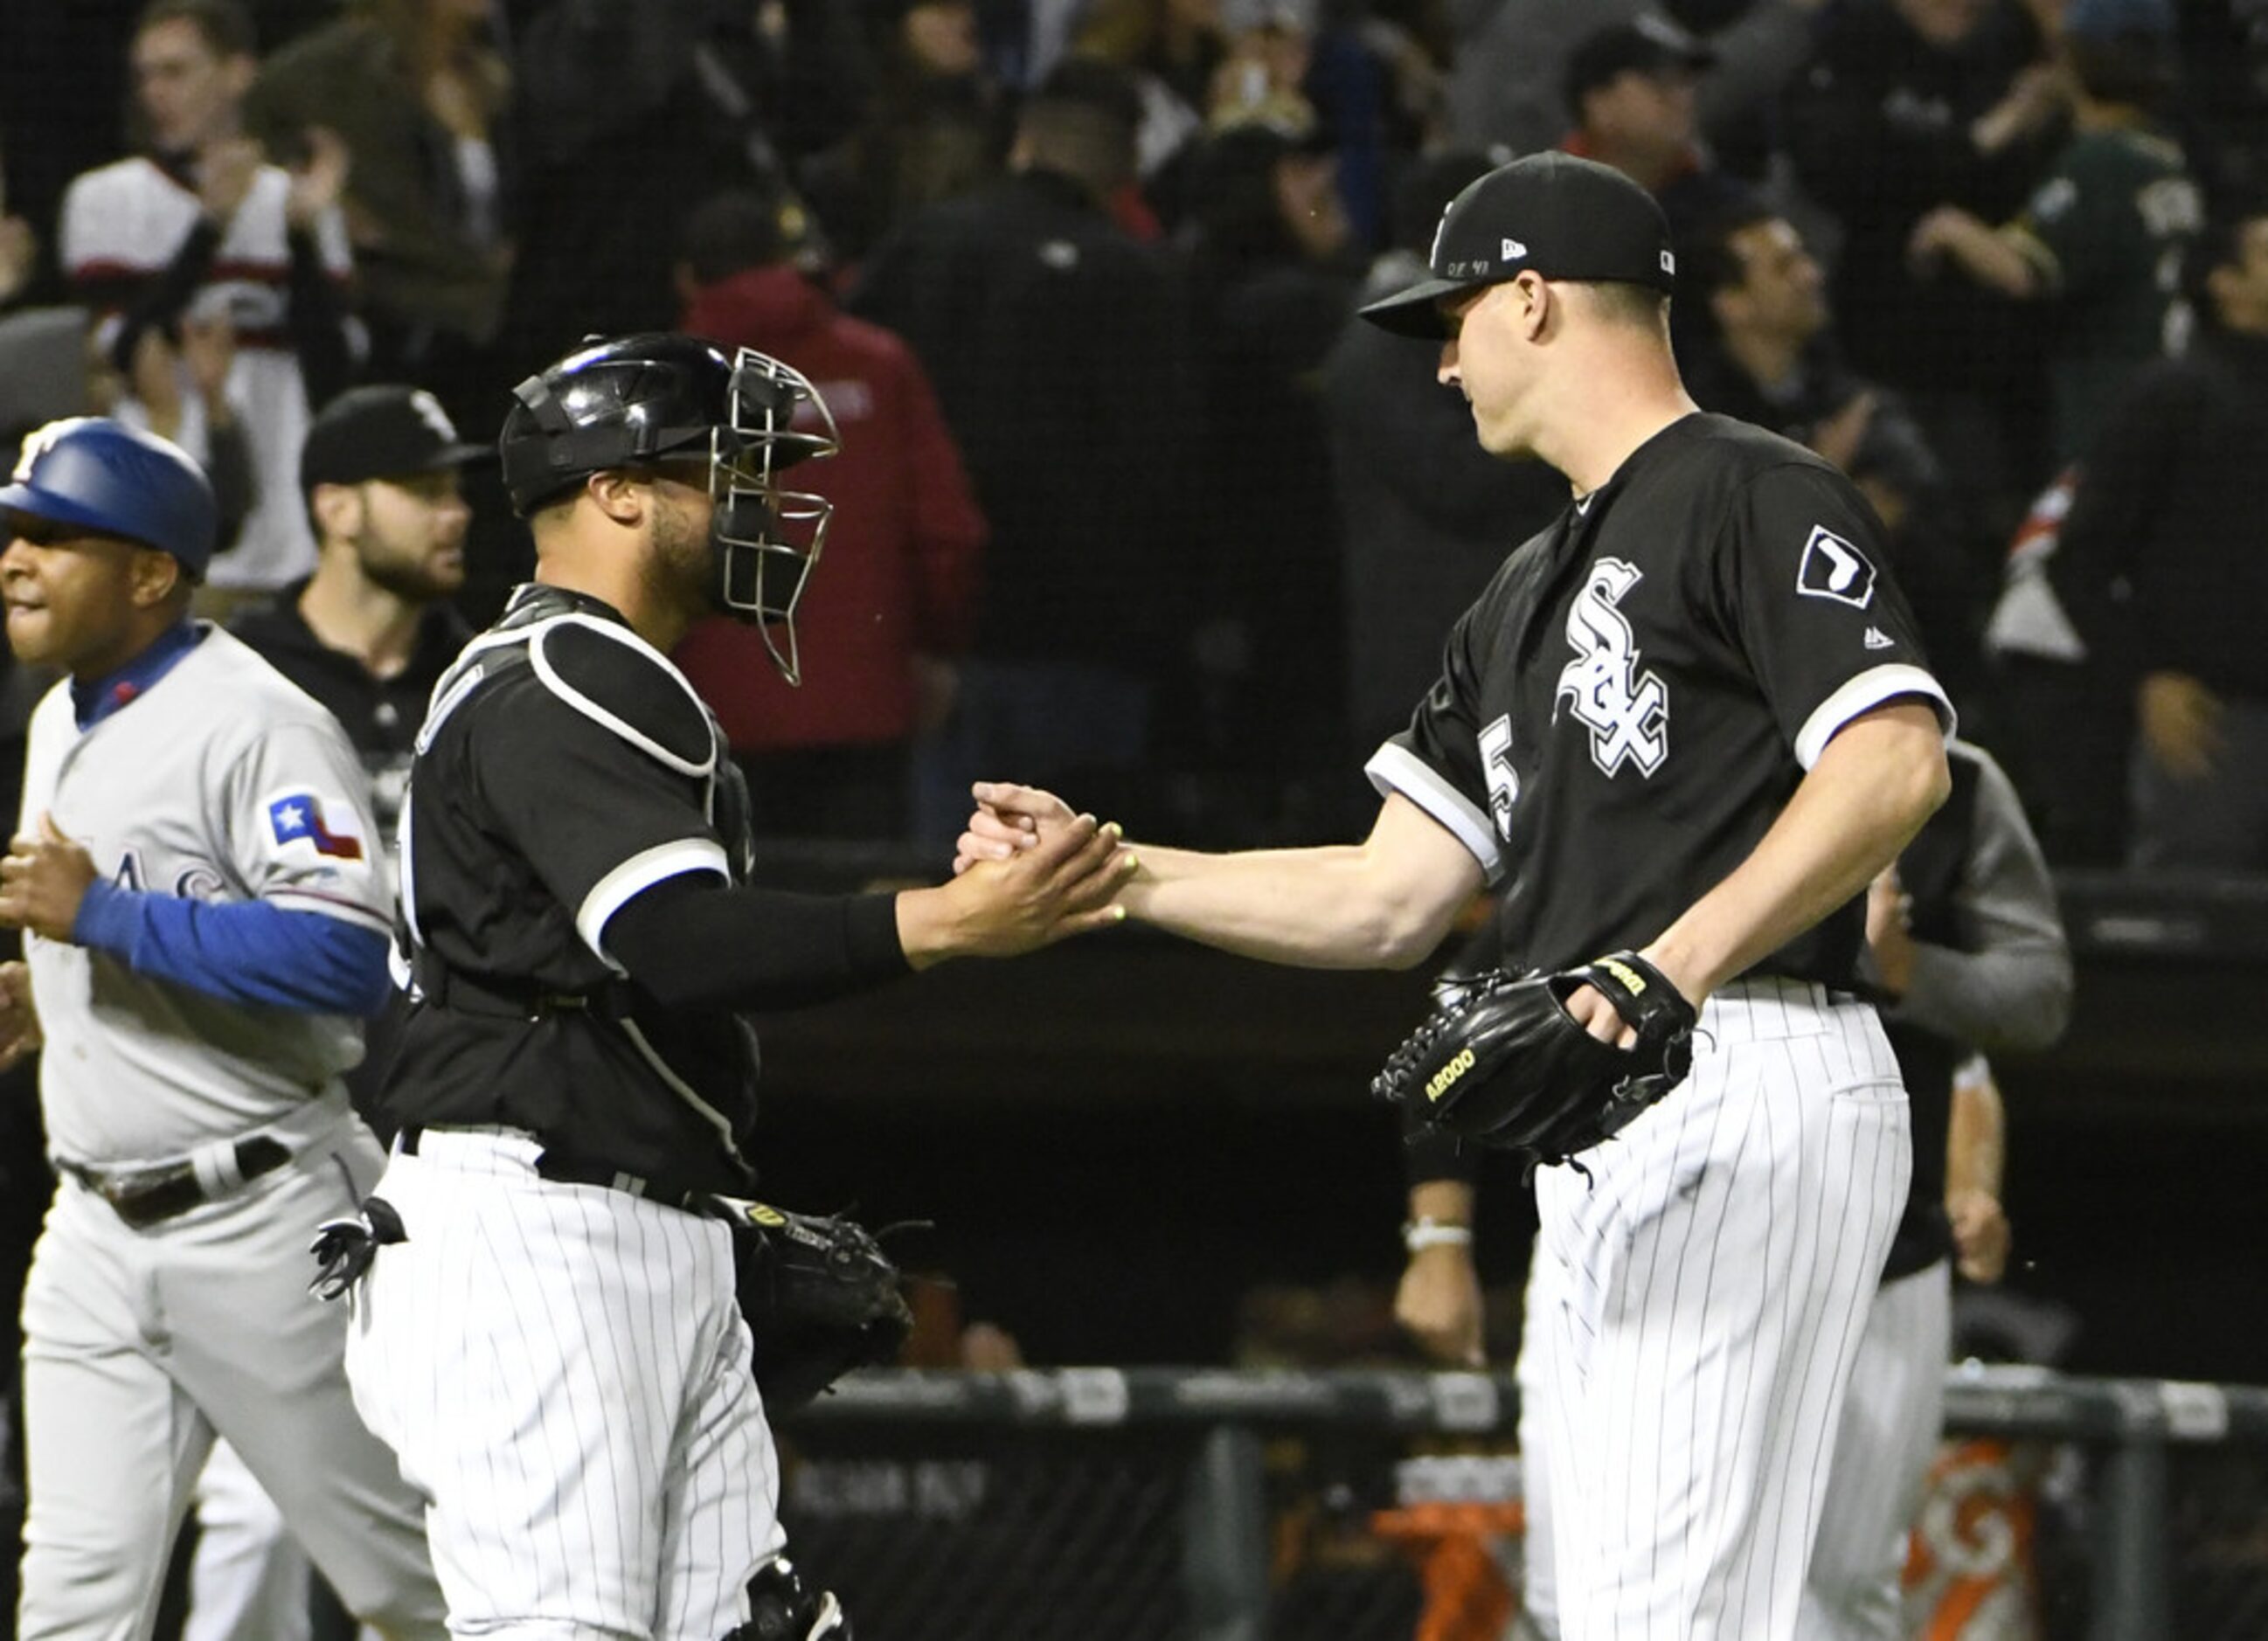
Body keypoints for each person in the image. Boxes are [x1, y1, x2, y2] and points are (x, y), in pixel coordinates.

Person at [959, 153, 1956, 1638]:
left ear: (1535, 299)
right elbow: (1386, 898)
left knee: (1675, 1618)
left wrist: (1659, 971)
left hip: (1742, 1051)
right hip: (1613, 1100)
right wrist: (1122, 873)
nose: (1440, 361)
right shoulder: (1521, 589)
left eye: (1456, 317)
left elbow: (1892, 763)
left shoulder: (1750, 486)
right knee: (1599, 1608)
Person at [337, 333, 1133, 1640]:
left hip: (619, 1217)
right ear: (616, 493)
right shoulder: (562, 674)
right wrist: (940, 921)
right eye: (726, 473)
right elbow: (679, 939)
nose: (759, 510)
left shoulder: (593, 673)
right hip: (535, 1237)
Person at [0, 415, 447, 1641]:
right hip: (89, 1224)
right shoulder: (58, 716)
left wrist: (96, 916)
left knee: (412, 1583)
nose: (15, 557)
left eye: (54, 535)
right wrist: (57, 995)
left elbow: (343, 951)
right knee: (72, 1595)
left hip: (263, 1222)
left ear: (151, 573)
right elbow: (136, 923)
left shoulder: (259, 720)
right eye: (13, 532)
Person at [669, 184, 986, 841]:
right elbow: (947, 534)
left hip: (709, 713)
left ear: (686, 278)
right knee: (858, 921)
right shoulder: (879, 366)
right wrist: (935, 650)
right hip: (868, 700)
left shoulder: (663, 390)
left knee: (741, 922)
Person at [59, 0, 357, 601]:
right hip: (159, 511)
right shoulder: (106, 198)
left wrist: (302, 237)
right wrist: (208, 229)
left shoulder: (291, 201)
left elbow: (335, 368)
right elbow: (120, 350)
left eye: (176, 72)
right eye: (145, 76)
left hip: (285, 521)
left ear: (237, 73)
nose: (155, 93)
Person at [2044, 201, 2268, 870]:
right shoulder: (2175, 394)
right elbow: (2078, 559)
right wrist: (2144, 677)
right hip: (2213, 718)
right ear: (2224, 283)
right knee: (2200, 928)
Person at [1904, 0, 2202, 464]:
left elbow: (2021, 270)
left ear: (2071, 59)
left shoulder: (2099, 162)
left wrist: (1951, 228)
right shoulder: (2166, 155)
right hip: (2175, 406)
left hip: (2112, 416)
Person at [232, 381, 487, 860]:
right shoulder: (245, 672)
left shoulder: (476, 676)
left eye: (457, 492)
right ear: (337, 510)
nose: (457, 515)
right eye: (427, 492)